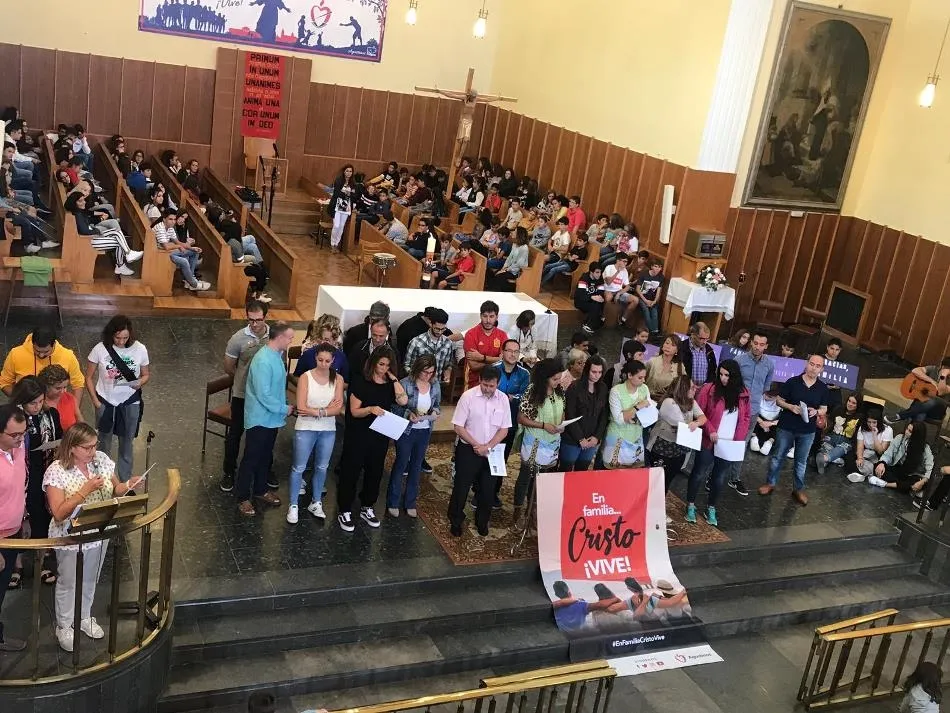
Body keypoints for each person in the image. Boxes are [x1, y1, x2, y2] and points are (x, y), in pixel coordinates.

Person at [44, 423, 145, 652]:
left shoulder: (100, 459)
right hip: (69, 535)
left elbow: (115, 488)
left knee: (91, 577)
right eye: (87, 447)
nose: (93, 451)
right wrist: (85, 490)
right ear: (72, 447)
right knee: (69, 581)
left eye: (94, 445)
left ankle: (84, 616)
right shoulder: (56, 470)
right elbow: (58, 513)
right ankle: (64, 625)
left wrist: (128, 485)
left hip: (98, 530)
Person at [337, 345, 408, 532]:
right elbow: (354, 411)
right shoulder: (361, 381)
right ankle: (344, 509)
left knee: (375, 472)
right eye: (381, 364)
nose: (384, 368)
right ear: (374, 362)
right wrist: (370, 409)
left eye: (388, 365)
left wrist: (394, 378)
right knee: (351, 472)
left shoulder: (389, 383)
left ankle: (367, 506)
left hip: (379, 436)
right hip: (358, 435)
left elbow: (403, 400)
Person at [236, 323, 295, 517]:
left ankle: (260, 489)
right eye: (289, 338)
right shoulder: (263, 360)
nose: (291, 341)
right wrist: (284, 408)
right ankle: (243, 497)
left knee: (265, 456)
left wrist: (283, 404)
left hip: (271, 418)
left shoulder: (277, 356)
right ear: (280, 337)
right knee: (251, 458)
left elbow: (277, 387)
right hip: (260, 419)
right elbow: (264, 395)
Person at [759, 355, 830, 505]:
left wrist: (816, 411)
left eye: (818, 366)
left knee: (801, 461)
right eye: (812, 364)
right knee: (778, 456)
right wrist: (791, 407)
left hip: (807, 430)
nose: (814, 368)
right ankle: (770, 483)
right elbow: (779, 401)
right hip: (787, 426)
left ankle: (798, 489)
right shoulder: (793, 382)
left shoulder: (823, 388)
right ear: (806, 364)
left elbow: (824, 408)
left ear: (822, 369)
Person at [85, 316, 150, 482]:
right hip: (105, 401)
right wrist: (96, 402)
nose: (121, 342)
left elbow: (146, 374)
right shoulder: (99, 349)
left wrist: (140, 382)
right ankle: (103, 481)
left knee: (127, 443)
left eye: (125, 338)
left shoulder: (140, 349)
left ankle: (125, 482)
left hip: (130, 402)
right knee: (103, 443)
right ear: (111, 334)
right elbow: (88, 377)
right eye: (117, 337)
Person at [11, 376, 62, 586]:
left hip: (45, 470)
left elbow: (59, 436)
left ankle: (42, 561)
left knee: (42, 515)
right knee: (19, 517)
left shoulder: (50, 414)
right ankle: (16, 564)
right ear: (21, 401)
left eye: (41, 401)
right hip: (19, 474)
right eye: (33, 402)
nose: (38, 406)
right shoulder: (12, 418)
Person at [450, 366, 511, 537]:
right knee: (461, 487)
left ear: (498, 383)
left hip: (492, 450)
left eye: (492, 386)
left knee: (488, 489)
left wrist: (488, 446)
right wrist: (477, 445)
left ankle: (482, 521)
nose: (488, 389)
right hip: (469, 448)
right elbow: (458, 426)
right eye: (485, 385)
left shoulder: (503, 399)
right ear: (479, 380)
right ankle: (455, 520)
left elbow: (504, 429)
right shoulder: (468, 397)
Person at [286, 343, 344, 524]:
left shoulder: (338, 379)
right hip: (305, 428)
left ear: (333, 361)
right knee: (299, 467)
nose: (323, 364)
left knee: (322, 467)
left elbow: (338, 409)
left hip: (327, 430)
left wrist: (315, 411)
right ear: (315, 359)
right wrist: (326, 410)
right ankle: (293, 504)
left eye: (327, 361)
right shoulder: (306, 377)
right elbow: (301, 407)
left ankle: (316, 501)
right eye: (320, 360)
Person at [688, 360, 750, 527]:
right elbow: (700, 413)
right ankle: (691, 505)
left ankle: (711, 507)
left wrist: (739, 438)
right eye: (721, 374)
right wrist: (710, 430)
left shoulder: (743, 393)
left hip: (729, 443)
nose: (723, 378)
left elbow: (745, 417)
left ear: (734, 376)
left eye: (727, 375)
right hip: (709, 440)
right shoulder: (709, 389)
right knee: (699, 472)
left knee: (719, 477)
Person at [221, 301, 270, 492]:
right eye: (251, 320)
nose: (255, 324)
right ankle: (229, 472)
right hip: (242, 395)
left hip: (264, 396)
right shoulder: (238, 339)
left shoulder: (273, 335)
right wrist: (243, 380)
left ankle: (264, 471)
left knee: (263, 434)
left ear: (265, 317)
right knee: (235, 434)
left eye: (258, 320)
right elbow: (228, 366)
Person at [513, 359, 566, 528]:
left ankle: (533, 510)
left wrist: (562, 423)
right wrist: (544, 425)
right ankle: (518, 512)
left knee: (541, 478)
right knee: (526, 477)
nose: (558, 382)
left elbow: (562, 410)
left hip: (552, 441)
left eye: (559, 378)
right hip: (535, 441)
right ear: (545, 377)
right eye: (555, 379)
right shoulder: (533, 391)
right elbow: (521, 418)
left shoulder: (559, 391)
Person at [387, 354, 440, 518]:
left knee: (416, 466)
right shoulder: (405, 383)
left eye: (431, 372)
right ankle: (393, 501)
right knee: (401, 463)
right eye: (425, 372)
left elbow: (437, 405)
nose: (428, 376)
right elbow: (394, 407)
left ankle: (410, 502)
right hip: (406, 430)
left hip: (424, 430)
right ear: (417, 369)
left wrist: (435, 412)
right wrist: (408, 414)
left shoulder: (435, 384)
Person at [732, 330, 774, 495]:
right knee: (726, 440)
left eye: (761, 344)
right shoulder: (739, 361)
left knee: (742, 445)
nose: (757, 347)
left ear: (766, 346)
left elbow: (765, 388)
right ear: (751, 343)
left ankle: (734, 478)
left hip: (753, 410)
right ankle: (712, 476)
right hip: (736, 408)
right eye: (755, 343)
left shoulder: (769, 365)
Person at [647, 375, 706, 492]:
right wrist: (692, 424)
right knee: (657, 481)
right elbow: (682, 425)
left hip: (679, 447)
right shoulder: (669, 402)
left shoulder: (690, 401)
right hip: (663, 447)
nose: (695, 389)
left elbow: (703, 417)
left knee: (668, 479)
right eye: (692, 387)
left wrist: (696, 422)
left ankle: (660, 499)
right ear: (683, 389)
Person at [0, 405, 27, 652]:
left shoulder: (19, 448)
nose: (20, 439)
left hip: (14, 532)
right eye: (14, 435)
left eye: (23, 433)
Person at [0, 326, 85, 400]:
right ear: (32, 343)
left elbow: (78, 384)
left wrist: (74, 410)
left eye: (46, 352)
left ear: (53, 344)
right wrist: (22, 400)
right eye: (37, 351)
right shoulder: (16, 354)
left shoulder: (68, 356)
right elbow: (4, 382)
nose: (41, 355)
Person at [561, 355, 608, 472]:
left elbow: (604, 416)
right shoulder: (574, 387)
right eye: (594, 372)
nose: (597, 375)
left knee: (582, 471)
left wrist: (597, 437)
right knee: (565, 470)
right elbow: (569, 414)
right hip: (572, 438)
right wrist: (580, 439)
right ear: (587, 370)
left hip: (592, 438)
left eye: (600, 372)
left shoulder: (603, 388)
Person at [602, 360, 650, 468]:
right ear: (629, 375)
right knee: (614, 469)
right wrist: (638, 407)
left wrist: (628, 414)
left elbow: (648, 411)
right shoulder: (616, 391)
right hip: (618, 436)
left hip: (636, 434)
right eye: (640, 377)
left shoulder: (644, 388)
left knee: (633, 471)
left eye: (644, 377)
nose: (643, 380)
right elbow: (619, 419)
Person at [866, 422, 933, 496]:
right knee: (878, 467)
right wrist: (882, 463)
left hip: (912, 474)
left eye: (910, 431)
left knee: (917, 482)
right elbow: (888, 454)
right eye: (907, 429)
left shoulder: (925, 448)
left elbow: (930, 468)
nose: (906, 432)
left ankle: (885, 484)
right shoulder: (900, 438)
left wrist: (922, 481)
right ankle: (904, 487)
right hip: (899, 469)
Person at [886, 357, 950, 425]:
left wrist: (943, 376)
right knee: (920, 415)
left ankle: (900, 416)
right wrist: (931, 381)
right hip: (921, 404)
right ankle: (910, 429)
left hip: (937, 410)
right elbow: (915, 370)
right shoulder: (934, 369)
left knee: (931, 402)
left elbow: (940, 392)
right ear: (942, 367)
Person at [403, 307, 455, 385]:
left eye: (443, 329)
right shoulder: (416, 342)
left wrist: (447, 374)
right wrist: (417, 378)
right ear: (430, 324)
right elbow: (407, 365)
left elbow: (448, 365)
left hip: (437, 385)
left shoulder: (448, 343)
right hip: (417, 385)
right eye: (437, 329)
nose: (440, 332)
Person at [463, 301, 508, 387]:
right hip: (475, 381)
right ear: (480, 316)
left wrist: (482, 358)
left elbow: (504, 361)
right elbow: (473, 366)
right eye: (485, 316)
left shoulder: (502, 335)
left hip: (497, 381)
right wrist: (496, 360)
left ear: (497, 317)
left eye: (491, 316)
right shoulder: (471, 334)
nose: (488, 320)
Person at [815, 393, 862, 475]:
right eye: (849, 401)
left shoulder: (860, 417)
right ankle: (825, 461)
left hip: (846, 441)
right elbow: (829, 423)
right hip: (832, 436)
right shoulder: (838, 409)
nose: (850, 404)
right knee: (825, 447)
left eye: (854, 403)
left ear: (858, 405)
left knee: (842, 448)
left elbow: (859, 436)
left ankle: (825, 459)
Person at [844, 408, 893, 482]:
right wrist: (860, 458)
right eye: (869, 422)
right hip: (866, 451)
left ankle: (857, 473)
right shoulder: (862, 428)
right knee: (849, 455)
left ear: (879, 422)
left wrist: (875, 435)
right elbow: (860, 446)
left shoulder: (888, 430)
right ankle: (858, 473)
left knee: (879, 469)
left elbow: (881, 451)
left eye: (874, 422)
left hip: (878, 455)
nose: (871, 425)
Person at [39, 364, 83, 431]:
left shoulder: (70, 398)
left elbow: (81, 424)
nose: (62, 391)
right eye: (58, 388)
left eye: (65, 387)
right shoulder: (38, 403)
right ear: (46, 386)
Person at [602, 253, 638, 324]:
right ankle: (603, 316)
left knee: (635, 300)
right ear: (618, 260)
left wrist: (619, 293)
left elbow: (627, 286)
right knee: (609, 297)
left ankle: (623, 319)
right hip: (608, 290)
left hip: (618, 291)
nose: (626, 263)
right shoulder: (609, 267)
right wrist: (617, 272)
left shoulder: (625, 271)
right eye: (624, 261)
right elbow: (608, 282)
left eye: (626, 262)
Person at [678, 322, 717, 386]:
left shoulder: (709, 350)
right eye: (702, 339)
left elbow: (713, 371)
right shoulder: (681, 347)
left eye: (707, 339)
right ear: (693, 335)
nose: (705, 342)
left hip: (703, 390)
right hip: (684, 387)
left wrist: (706, 387)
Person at [645, 335, 681, 401]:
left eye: (673, 345)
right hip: (647, 399)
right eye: (667, 343)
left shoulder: (680, 366)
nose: (668, 346)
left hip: (667, 402)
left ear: (677, 350)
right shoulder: (652, 362)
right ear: (663, 345)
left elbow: (682, 385)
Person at [328, 165, 356, 252]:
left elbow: (354, 195)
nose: (349, 173)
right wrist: (347, 193)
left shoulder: (353, 183)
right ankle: (332, 243)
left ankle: (336, 244)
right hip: (337, 206)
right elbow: (336, 193)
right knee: (336, 225)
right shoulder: (339, 180)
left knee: (341, 226)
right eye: (347, 171)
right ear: (344, 171)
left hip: (346, 207)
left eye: (350, 171)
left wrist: (348, 194)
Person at [635, 259, 665, 336]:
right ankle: (653, 332)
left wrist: (655, 301)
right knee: (646, 311)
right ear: (651, 267)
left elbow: (659, 291)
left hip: (652, 299)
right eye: (656, 266)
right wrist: (645, 300)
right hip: (642, 297)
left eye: (659, 267)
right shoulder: (644, 274)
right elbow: (637, 289)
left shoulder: (661, 277)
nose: (657, 269)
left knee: (654, 313)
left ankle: (655, 332)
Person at [574, 262, 606, 334]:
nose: (599, 274)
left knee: (598, 303)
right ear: (591, 272)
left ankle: (589, 324)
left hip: (592, 300)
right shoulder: (584, 278)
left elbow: (601, 292)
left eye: (600, 272)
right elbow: (581, 295)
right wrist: (592, 297)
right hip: (581, 301)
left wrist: (599, 298)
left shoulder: (600, 279)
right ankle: (590, 324)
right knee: (595, 305)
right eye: (597, 272)